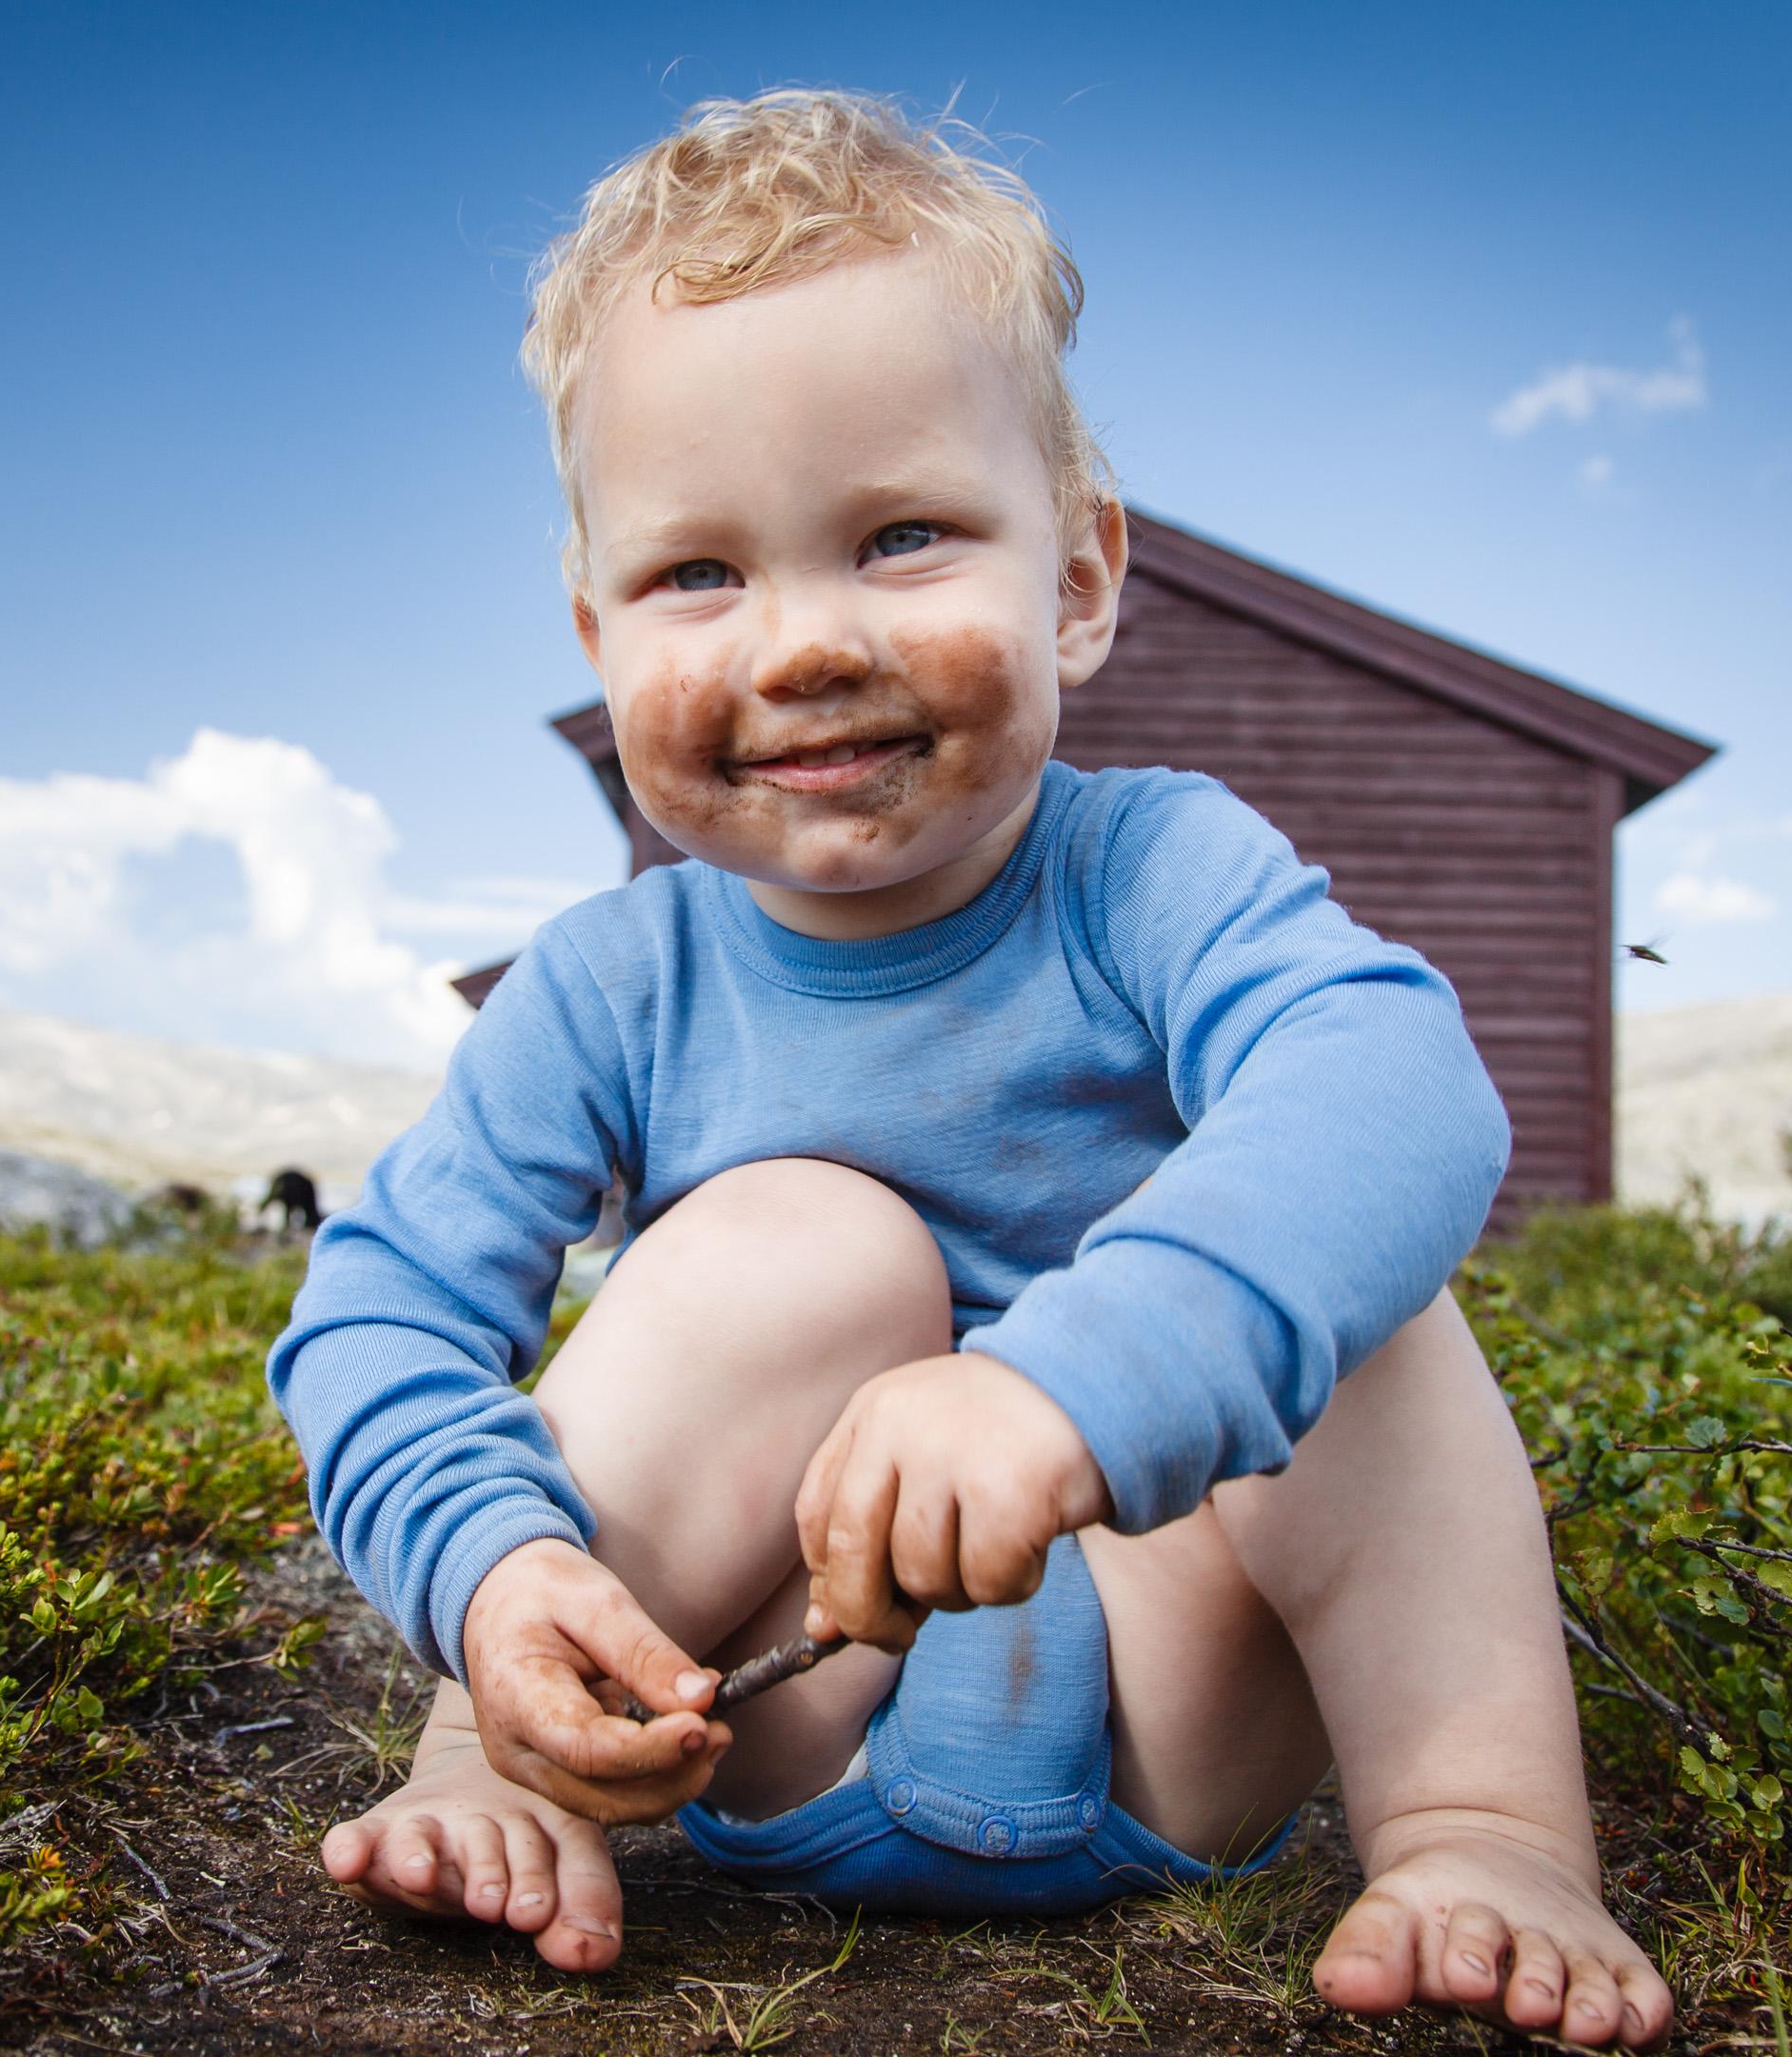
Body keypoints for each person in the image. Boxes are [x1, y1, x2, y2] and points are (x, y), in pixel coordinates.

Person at [265, 90, 1672, 2048]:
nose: (808, 643)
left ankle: (1480, 1826)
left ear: (1078, 581)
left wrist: (1074, 1383)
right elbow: (382, 1312)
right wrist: (494, 1582)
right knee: (796, 1246)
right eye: (698, 577)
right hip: (773, 1715)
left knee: (1377, 1305)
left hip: (1168, 1712)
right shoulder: (608, 984)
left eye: (902, 536)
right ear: (597, 633)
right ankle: (497, 1770)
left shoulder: (1156, 871)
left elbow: (1400, 1084)